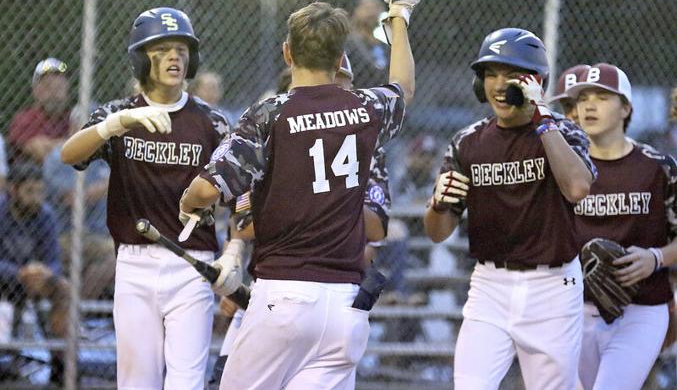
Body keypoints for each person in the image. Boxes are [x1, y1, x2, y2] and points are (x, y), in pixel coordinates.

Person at [181, 0, 419, 389]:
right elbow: (403, 88)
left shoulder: (271, 113)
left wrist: (191, 203)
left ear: (288, 54)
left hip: (284, 296)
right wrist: (399, 18)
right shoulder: (366, 107)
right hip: (346, 307)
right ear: (340, 57)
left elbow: (204, 191)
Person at [60, 7, 231, 390]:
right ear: (141, 58)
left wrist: (234, 253)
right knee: (137, 382)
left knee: (187, 381)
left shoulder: (211, 121)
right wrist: (114, 125)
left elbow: (242, 196)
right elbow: (69, 156)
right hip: (135, 263)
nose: (174, 57)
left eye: (182, 49)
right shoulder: (119, 114)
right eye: (162, 49)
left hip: (193, 264)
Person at [423, 28, 596, 390]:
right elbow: (437, 233)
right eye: (490, 74)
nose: (499, 85)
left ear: (537, 82)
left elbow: (578, 188)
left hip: (553, 286)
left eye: (512, 74)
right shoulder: (467, 141)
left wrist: (543, 119)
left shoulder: (564, 132)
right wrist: (439, 203)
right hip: (490, 286)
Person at [208, 53, 394, 387]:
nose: (332, 93)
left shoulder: (366, 144)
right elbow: (241, 219)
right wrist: (234, 255)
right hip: (266, 290)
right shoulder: (270, 135)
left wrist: (321, 201)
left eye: (342, 83)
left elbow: (377, 228)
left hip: (335, 289)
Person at [565, 63, 677, 390]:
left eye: (602, 97)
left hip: (642, 309)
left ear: (626, 107)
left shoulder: (659, 168)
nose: (589, 105)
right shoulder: (564, 168)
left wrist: (655, 258)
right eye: (583, 97)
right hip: (574, 308)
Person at [0, 162, 70, 384]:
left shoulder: (45, 215)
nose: (36, 197)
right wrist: (18, 272)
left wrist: (45, 272)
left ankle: (62, 362)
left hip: (34, 281)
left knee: (63, 288)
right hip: (5, 278)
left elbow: (54, 261)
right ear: (13, 190)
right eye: (30, 191)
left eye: (40, 191)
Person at [43, 105, 114, 299]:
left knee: (119, 255)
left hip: (98, 236)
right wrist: (109, 184)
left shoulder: (105, 158)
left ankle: (78, 307)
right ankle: (74, 310)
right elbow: (73, 199)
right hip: (64, 235)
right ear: (73, 127)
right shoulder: (59, 157)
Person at [9, 57, 70, 164]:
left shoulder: (72, 118)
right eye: (48, 86)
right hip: (37, 177)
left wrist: (50, 145)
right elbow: (40, 152)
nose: (54, 93)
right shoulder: (25, 118)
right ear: (35, 91)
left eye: (59, 87)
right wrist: (72, 144)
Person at [344, 0, 389, 89]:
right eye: (366, 7)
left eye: (375, 7)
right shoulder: (347, 45)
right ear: (356, 11)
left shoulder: (385, 46)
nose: (371, 12)